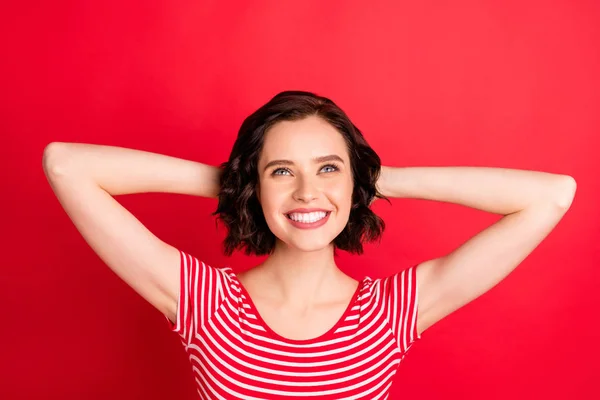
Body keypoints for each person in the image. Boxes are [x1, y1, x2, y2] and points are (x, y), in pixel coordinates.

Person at [43, 91, 576, 399]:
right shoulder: (202, 301)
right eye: (282, 171)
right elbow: (66, 164)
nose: (306, 192)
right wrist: (239, 182)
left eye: (327, 168)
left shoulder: (391, 313)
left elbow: (551, 196)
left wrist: (370, 179)